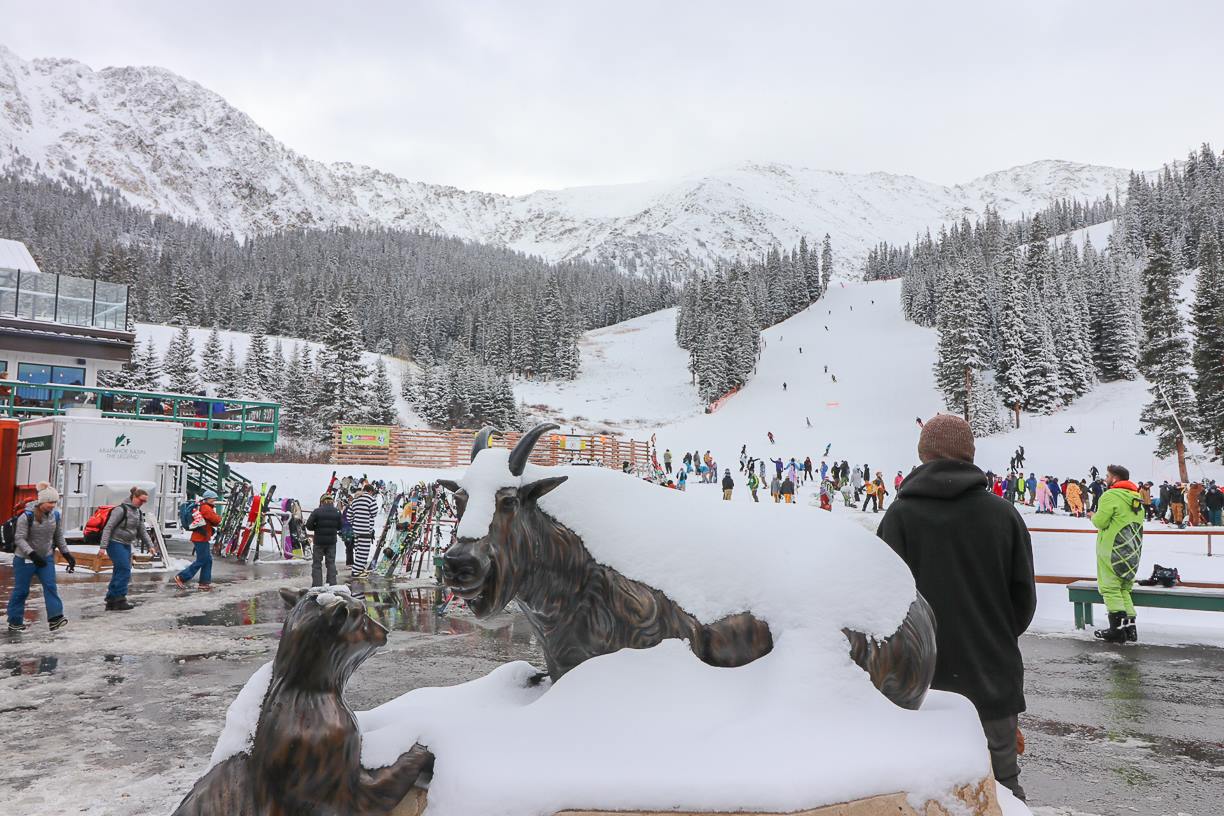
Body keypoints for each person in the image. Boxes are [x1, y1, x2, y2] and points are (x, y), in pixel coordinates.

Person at [876, 414, 1035, 801]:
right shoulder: (1002, 514)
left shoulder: (900, 516)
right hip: (992, 676)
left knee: (926, 794)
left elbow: (882, 604)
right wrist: (991, 633)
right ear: (970, 454)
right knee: (1003, 790)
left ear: (923, 454)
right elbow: (1024, 601)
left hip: (921, 685)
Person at [7, 486, 75, 633]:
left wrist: (67, 554)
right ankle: (14, 621)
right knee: (21, 591)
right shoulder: (27, 516)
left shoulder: (55, 515)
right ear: (42, 501)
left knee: (51, 587)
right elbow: (19, 538)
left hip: (46, 558)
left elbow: (58, 536)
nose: (52, 505)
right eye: (49, 502)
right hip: (25, 559)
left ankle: (55, 618)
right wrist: (32, 554)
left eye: (54, 502)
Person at [1090, 465, 1144, 643]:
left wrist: (1092, 516)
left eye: (1107, 476)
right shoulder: (1136, 498)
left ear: (1114, 479)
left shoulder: (1111, 496)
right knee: (1124, 589)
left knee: (1111, 589)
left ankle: (1117, 630)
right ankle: (1130, 629)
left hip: (1113, 550)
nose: (1105, 479)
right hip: (1132, 552)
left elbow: (1101, 521)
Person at [101, 487, 153, 611]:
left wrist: (150, 545)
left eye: (145, 502)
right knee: (124, 569)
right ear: (134, 497)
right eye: (141, 500)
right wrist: (103, 546)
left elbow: (142, 531)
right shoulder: (120, 510)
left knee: (120, 570)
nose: (142, 503)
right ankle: (120, 599)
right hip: (115, 543)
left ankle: (111, 599)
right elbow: (108, 527)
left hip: (126, 543)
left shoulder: (138, 512)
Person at [174, 490, 221, 591]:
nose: (215, 500)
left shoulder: (203, 507)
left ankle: (205, 582)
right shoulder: (206, 508)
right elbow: (216, 520)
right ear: (207, 499)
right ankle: (181, 577)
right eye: (213, 499)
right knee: (202, 560)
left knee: (208, 560)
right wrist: (218, 518)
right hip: (200, 538)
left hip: (201, 537)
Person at [305, 493, 343, 586]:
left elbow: (309, 526)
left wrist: (316, 527)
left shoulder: (317, 511)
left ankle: (317, 585)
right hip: (331, 542)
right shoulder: (337, 512)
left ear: (322, 502)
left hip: (319, 542)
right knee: (331, 563)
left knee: (317, 564)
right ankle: (332, 584)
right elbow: (340, 526)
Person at [347, 483, 379, 574]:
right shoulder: (370, 499)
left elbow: (349, 516)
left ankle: (359, 569)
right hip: (365, 530)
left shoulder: (355, 500)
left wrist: (355, 522)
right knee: (363, 552)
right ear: (370, 491)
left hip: (356, 530)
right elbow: (374, 512)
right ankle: (356, 571)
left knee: (358, 551)